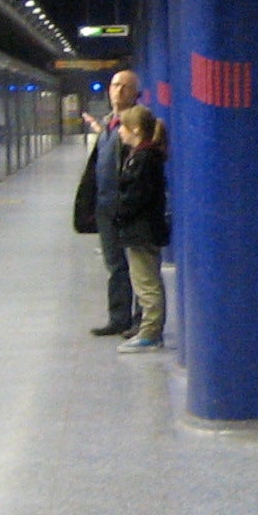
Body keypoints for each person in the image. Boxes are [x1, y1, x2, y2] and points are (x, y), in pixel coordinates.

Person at [72, 69, 141, 336]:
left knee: (137, 266)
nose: (118, 91)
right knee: (115, 265)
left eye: (125, 87)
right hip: (105, 206)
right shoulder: (109, 125)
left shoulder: (138, 124)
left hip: (128, 206)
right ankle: (119, 317)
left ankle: (140, 320)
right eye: (115, 85)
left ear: (135, 93)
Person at [112, 105, 170, 353]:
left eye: (123, 128)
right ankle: (149, 330)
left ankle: (150, 333)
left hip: (141, 230)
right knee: (145, 281)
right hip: (142, 229)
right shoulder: (144, 156)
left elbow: (135, 196)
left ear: (135, 129)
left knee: (146, 284)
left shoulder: (144, 159)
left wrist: (119, 214)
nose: (120, 133)